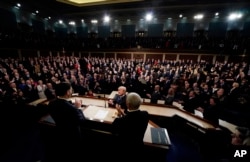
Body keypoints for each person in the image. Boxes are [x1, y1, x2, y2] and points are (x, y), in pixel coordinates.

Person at [48, 82, 86, 162]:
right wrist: (78, 108)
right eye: (71, 89)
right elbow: (81, 120)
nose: (72, 90)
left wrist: (73, 106)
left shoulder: (51, 103)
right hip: (73, 135)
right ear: (67, 92)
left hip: (60, 132)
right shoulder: (71, 108)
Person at [112, 92, 149, 160]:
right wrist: (122, 113)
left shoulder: (119, 121)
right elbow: (132, 119)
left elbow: (113, 131)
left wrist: (120, 115)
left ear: (127, 104)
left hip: (124, 149)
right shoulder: (145, 114)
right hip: (139, 148)